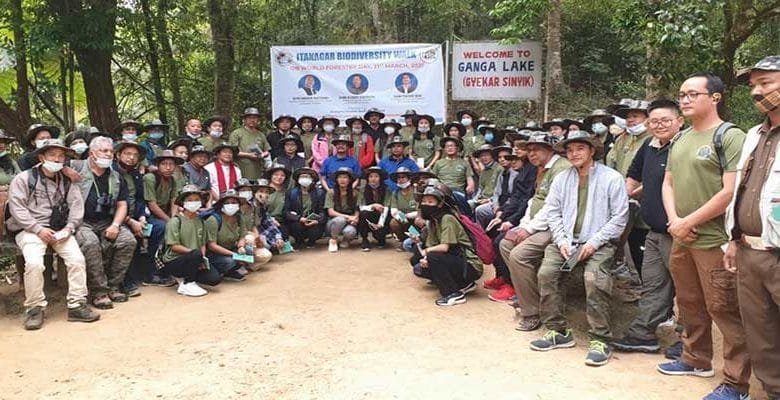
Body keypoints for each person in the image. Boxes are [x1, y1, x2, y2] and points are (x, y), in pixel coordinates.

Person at [658, 73, 750, 399]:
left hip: (714, 239)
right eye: (682, 94)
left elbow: (730, 191)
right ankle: (696, 359)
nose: (684, 100)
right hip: (683, 236)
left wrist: (688, 221)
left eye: (693, 94)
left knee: (724, 308)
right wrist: (675, 221)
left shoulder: (730, 136)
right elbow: (667, 182)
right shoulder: (681, 139)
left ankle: (737, 383)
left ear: (715, 98)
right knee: (689, 302)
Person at [527, 130, 628, 367]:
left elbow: (619, 218)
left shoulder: (611, 178)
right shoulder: (563, 178)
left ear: (592, 150)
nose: (574, 154)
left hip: (599, 243)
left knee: (594, 278)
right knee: (547, 273)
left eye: (580, 149)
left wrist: (593, 243)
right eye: (570, 150)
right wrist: (562, 241)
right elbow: (552, 211)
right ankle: (558, 330)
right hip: (566, 242)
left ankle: (601, 338)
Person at [724, 55, 780, 400]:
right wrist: (733, 239)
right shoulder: (753, 135)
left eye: (766, 83)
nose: (757, 92)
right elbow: (740, 191)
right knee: (761, 335)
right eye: (752, 86)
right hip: (749, 250)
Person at [612, 99, 684, 354]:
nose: (659, 125)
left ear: (680, 121)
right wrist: (618, 200)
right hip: (654, 230)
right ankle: (644, 334)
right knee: (652, 285)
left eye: (665, 120)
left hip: (681, 232)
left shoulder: (685, 145)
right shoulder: (649, 145)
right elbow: (633, 176)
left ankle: (688, 342)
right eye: (654, 121)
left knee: (687, 288)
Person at [6, 139, 100, 330]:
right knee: (34, 263)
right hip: (30, 230)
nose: (57, 159)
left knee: (76, 260)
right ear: (41, 157)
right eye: (52, 155)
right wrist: (37, 229)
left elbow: (76, 207)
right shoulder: (24, 179)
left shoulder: (66, 181)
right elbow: (17, 208)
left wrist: (69, 228)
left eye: (60, 156)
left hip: (60, 230)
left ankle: (76, 305)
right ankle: (34, 308)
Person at [70, 136, 137, 310]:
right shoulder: (75, 167)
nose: (108, 155)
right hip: (81, 221)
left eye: (111, 151)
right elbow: (44, 164)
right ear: (92, 154)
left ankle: (114, 287)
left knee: (128, 241)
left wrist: (115, 225)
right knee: (91, 244)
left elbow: (122, 204)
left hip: (107, 220)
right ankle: (98, 292)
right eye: (104, 151)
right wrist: (64, 171)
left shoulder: (116, 176)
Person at [482, 149, 537, 303]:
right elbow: (515, 199)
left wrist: (511, 221)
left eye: (515, 158)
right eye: (510, 158)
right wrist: (501, 214)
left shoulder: (532, 172)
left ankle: (511, 284)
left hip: (528, 219)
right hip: (517, 214)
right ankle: (500, 276)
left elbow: (526, 202)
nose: (512, 161)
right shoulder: (521, 172)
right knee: (491, 230)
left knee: (501, 241)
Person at [416, 186, 483, 306]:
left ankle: (454, 293)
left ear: (440, 204)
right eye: (424, 201)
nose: (426, 204)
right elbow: (432, 244)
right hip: (456, 260)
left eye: (430, 202)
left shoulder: (447, 218)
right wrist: (425, 258)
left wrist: (427, 252)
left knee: (433, 257)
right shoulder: (433, 220)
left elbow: (444, 247)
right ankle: (463, 284)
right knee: (419, 267)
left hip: (470, 265)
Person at [112, 140, 158, 296]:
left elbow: (139, 199)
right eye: (127, 154)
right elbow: (111, 205)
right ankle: (125, 282)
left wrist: (142, 217)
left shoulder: (136, 175)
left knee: (158, 228)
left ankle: (150, 273)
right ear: (118, 155)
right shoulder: (111, 174)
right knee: (129, 238)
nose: (131, 158)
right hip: (115, 218)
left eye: (135, 155)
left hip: (134, 216)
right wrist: (130, 221)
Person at [159, 185, 215, 296]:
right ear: (183, 203)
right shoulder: (175, 221)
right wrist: (195, 254)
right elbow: (174, 246)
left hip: (194, 257)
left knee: (214, 279)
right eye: (189, 200)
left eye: (196, 200)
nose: (193, 202)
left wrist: (201, 259)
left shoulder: (200, 221)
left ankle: (190, 277)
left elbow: (203, 243)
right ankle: (187, 283)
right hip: (174, 260)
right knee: (195, 254)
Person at [205, 189, 264, 282]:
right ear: (221, 205)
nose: (231, 205)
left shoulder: (239, 217)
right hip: (214, 253)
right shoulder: (213, 220)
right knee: (230, 261)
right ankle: (223, 270)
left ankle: (231, 270)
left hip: (231, 248)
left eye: (234, 202)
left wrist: (241, 245)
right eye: (227, 203)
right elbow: (212, 246)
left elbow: (242, 235)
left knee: (248, 250)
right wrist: (233, 254)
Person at [284, 167, 326, 249]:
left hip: (313, 221)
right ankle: (299, 241)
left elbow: (323, 211)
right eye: (302, 177)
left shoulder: (319, 193)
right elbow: (286, 211)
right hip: (298, 221)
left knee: (315, 229)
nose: (304, 179)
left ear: (312, 179)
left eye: (307, 177)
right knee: (296, 226)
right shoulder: (291, 193)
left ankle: (312, 241)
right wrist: (298, 218)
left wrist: (317, 220)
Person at [475, 145, 516, 228]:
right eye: (500, 157)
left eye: (506, 157)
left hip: (508, 205)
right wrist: (496, 206)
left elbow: (513, 196)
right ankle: (480, 233)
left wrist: (500, 209)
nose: (502, 159)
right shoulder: (502, 174)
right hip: (497, 203)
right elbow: (496, 192)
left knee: (480, 210)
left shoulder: (515, 174)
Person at [229, 107, 271, 180]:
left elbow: (267, 150)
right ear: (244, 120)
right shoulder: (237, 133)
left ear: (258, 120)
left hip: (257, 170)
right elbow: (231, 152)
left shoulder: (261, 134)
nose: (252, 120)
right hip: (241, 169)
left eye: (255, 118)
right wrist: (248, 155)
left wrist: (263, 154)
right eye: (249, 118)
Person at [325, 167, 360, 252]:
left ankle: (346, 240)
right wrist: (348, 217)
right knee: (340, 220)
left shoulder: (355, 193)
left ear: (349, 180)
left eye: (345, 177)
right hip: (333, 223)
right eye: (340, 177)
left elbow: (357, 209)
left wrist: (355, 218)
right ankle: (333, 240)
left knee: (350, 232)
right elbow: (330, 212)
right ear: (336, 179)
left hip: (349, 222)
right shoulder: (331, 192)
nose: (342, 180)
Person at [252, 179, 286, 257]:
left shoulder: (262, 207)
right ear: (254, 192)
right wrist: (261, 239)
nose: (264, 194)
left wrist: (278, 238)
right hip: (248, 235)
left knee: (274, 241)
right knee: (265, 250)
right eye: (261, 191)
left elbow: (268, 223)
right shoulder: (249, 206)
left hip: (259, 231)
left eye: (266, 192)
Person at [358, 167, 390, 251]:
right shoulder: (362, 189)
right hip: (369, 215)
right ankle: (364, 239)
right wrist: (373, 206)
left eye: (376, 176)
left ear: (380, 178)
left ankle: (381, 238)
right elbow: (361, 207)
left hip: (382, 216)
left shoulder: (387, 189)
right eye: (371, 176)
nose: (373, 179)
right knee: (363, 214)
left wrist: (380, 224)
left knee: (380, 233)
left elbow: (386, 207)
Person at [471, 144, 501, 208]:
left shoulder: (499, 168)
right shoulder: (483, 171)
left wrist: (489, 200)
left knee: (479, 209)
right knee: (468, 204)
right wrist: (476, 199)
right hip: (482, 198)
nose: (483, 158)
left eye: (486, 155)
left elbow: (499, 191)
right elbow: (480, 188)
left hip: (494, 200)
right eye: (481, 156)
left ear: (492, 156)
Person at [265, 164, 291, 235]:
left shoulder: (287, 193)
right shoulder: (264, 191)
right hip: (266, 220)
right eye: (276, 175)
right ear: (271, 176)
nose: (279, 177)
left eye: (282, 175)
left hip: (282, 221)